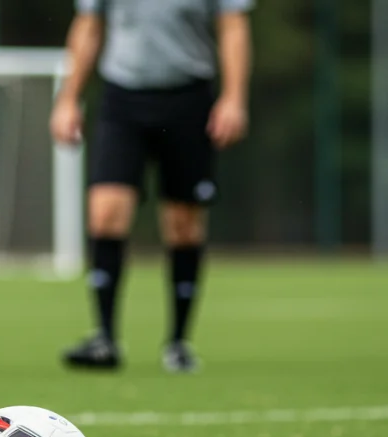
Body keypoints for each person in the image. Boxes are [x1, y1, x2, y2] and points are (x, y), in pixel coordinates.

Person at [53, 0, 253, 373]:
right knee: (105, 214)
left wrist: (234, 98)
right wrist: (68, 99)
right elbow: (88, 26)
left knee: (184, 224)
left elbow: (233, 27)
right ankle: (105, 338)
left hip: (188, 98)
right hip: (123, 98)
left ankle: (178, 343)